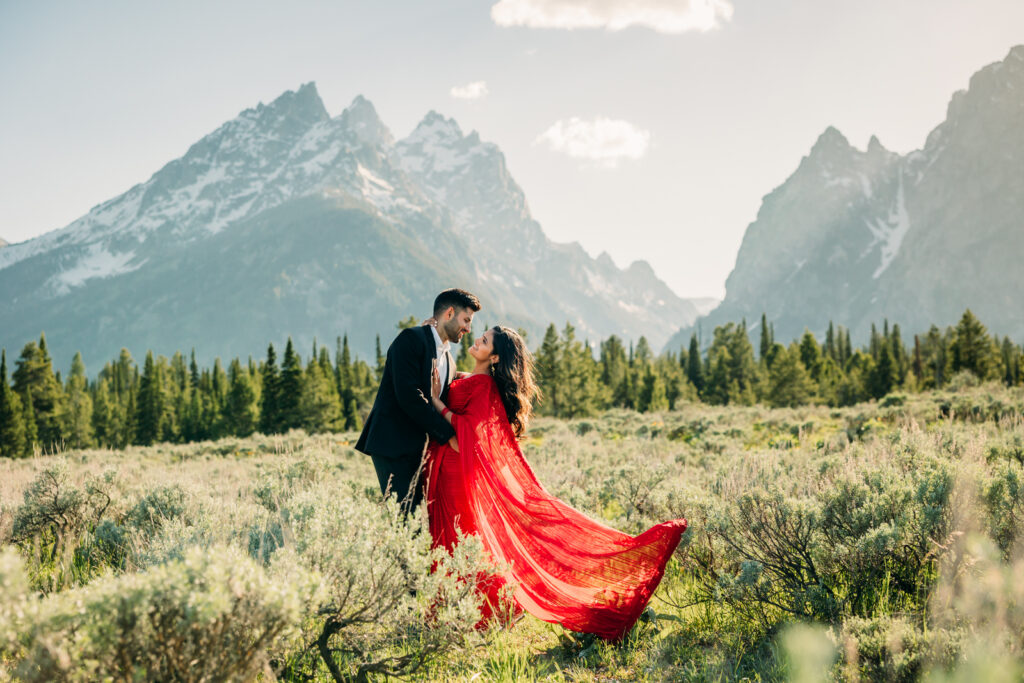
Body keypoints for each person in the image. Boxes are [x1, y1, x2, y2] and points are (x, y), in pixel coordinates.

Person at [425, 325, 688, 641]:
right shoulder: (468, 377)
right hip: (445, 469)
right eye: (480, 336)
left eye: (485, 341)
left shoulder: (484, 388)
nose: (477, 340)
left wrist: (436, 403)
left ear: (494, 357)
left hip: (458, 472)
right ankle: (452, 611)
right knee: (452, 539)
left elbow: (470, 433)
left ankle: (485, 611)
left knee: (461, 539)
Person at [355, 288, 480, 513]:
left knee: (420, 522)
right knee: (406, 523)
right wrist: (449, 436)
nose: (468, 329)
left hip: (420, 451)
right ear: (449, 313)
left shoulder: (449, 360)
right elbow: (409, 396)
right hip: (394, 445)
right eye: (466, 320)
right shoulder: (411, 339)